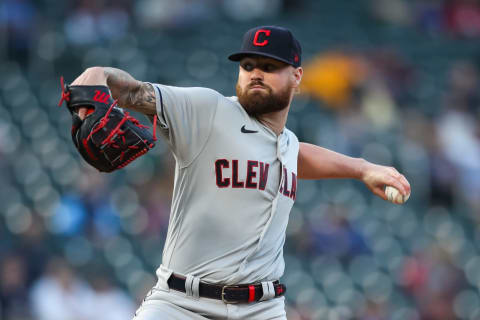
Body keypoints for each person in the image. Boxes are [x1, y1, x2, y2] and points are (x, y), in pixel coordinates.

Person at [71, 26, 411, 320]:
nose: (255, 73)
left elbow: (297, 155)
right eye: (248, 66)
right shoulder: (208, 110)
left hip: (262, 309)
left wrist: (362, 168)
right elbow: (130, 91)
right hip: (182, 303)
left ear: (297, 76)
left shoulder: (286, 144)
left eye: (269, 66)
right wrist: (97, 76)